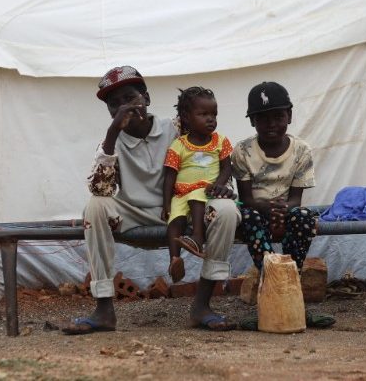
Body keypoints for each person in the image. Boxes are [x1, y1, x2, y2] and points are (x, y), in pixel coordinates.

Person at [64, 66, 240, 334]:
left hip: (182, 205)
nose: (124, 107)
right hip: (133, 212)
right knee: (95, 206)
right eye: (114, 105)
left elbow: (212, 156)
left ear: (146, 98)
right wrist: (113, 134)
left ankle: (202, 304)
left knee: (226, 211)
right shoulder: (111, 142)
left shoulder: (178, 127)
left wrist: (222, 186)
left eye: (130, 98)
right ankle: (103, 310)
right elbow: (101, 189)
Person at [231, 82, 317, 270]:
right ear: (253, 121)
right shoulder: (242, 151)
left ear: (290, 116)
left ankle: (291, 270)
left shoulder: (301, 150)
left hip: (286, 211)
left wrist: (282, 209)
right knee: (248, 217)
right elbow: (246, 199)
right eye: (262, 118)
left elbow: (296, 199)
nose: (271, 124)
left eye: (278, 117)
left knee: (304, 216)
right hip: (256, 211)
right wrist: (267, 208)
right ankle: (270, 272)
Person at [162, 87, 233, 283]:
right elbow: (169, 177)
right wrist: (167, 204)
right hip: (181, 193)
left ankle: (198, 238)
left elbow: (227, 168)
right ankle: (174, 260)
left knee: (197, 197)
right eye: (203, 114)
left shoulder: (220, 141)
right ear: (186, 117)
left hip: (206, 191)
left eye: (214, 114)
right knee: (175, 220)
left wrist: (218, 185)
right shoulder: (178, 145)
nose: (211, 119)